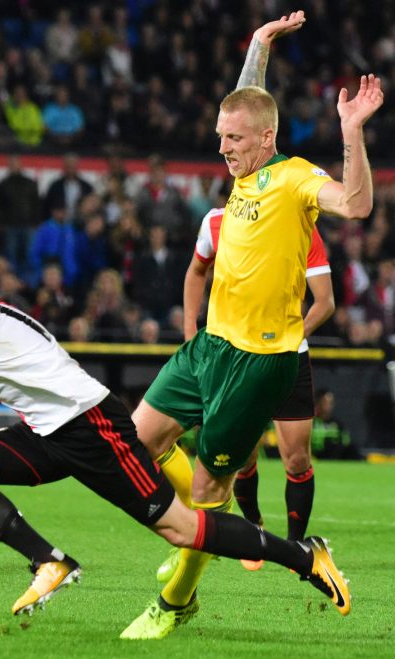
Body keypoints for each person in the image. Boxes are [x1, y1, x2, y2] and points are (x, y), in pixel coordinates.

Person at [0, 255, 348, 633]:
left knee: (183, 528)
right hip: (47, 428)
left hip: (90, 424)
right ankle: (49, 562)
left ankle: (304, 556)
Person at [122, 11, 382, 639]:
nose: (222, 148)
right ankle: (213, 534)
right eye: (219, 136)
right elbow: (248, 102)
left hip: (260, 363)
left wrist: (351, 131)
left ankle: (176, 601)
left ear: (265, 141)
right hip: (210, 347)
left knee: (212, 489)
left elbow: (356, 204)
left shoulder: (293, 179)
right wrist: (260, 44)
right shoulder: (242, 169)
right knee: (132, 446)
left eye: (232, 140)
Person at [170, 206, 334, 576]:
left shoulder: (300, 226)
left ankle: (296, 547)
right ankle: (254, 529)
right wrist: (189, 331)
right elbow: (196, 271)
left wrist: (290, 338)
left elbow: (325, 301)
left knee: (296, 458)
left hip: (287, 359)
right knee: (242, 458)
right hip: (233, 360)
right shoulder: (216, 221)